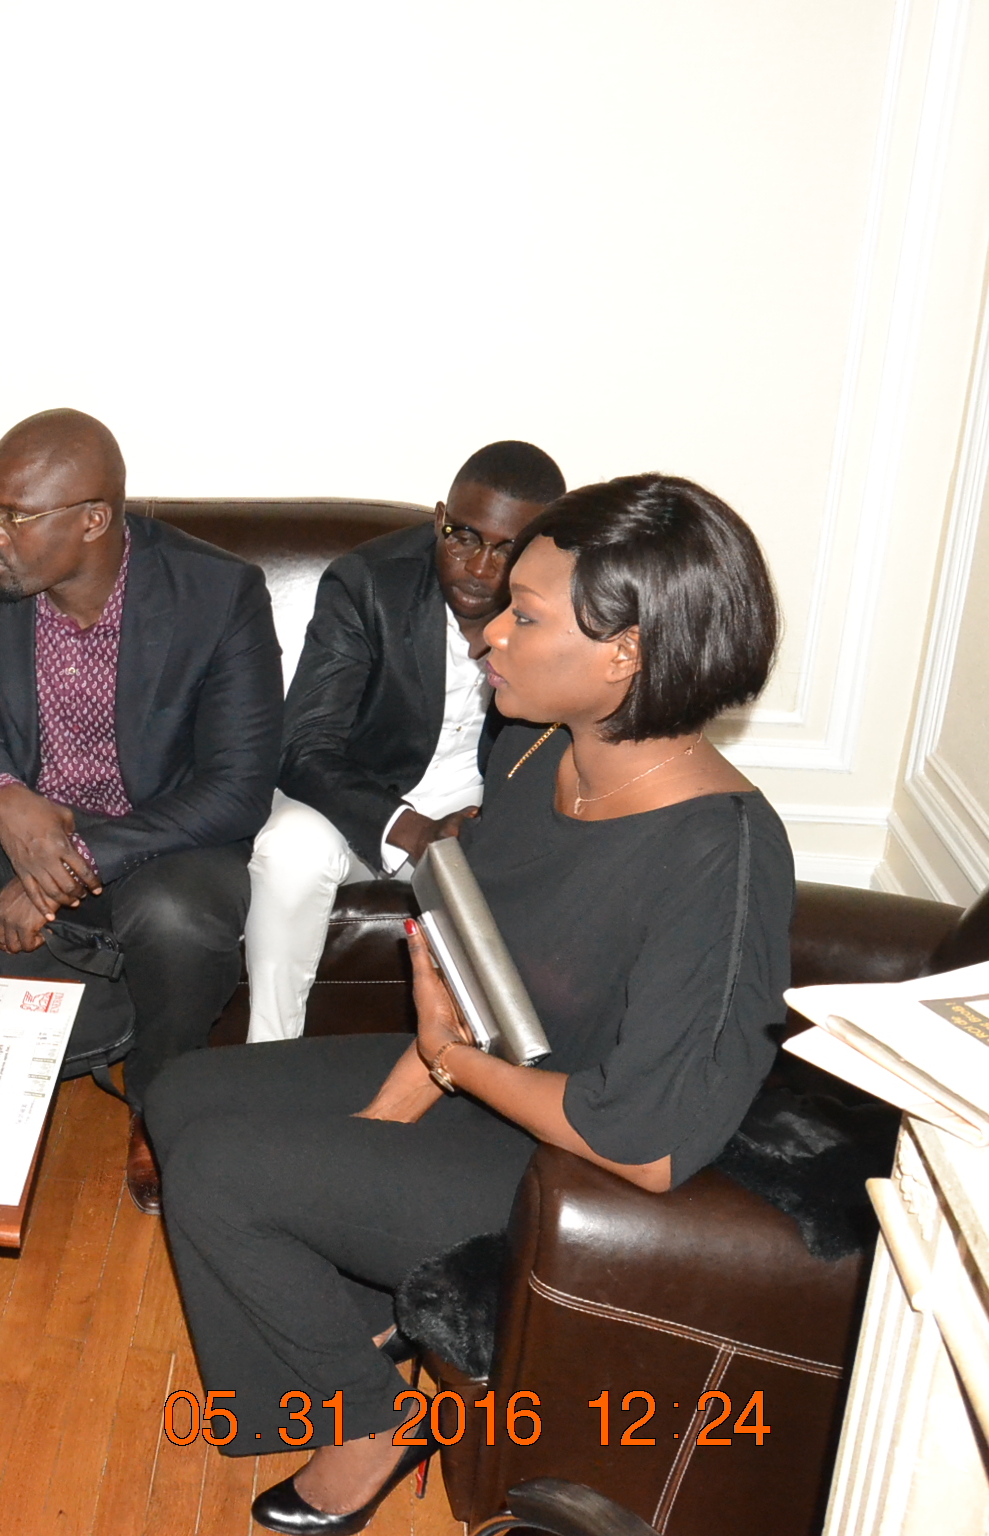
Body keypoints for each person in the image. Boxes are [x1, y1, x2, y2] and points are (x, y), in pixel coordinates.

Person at [144, 474, 790, 1535]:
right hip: (497, 1085)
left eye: (526, 616)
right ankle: (369, 1348)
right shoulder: (541, 753)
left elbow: (647, 1147)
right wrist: (394, 1110)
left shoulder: (720, 855)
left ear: (626, 652)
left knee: (221, 1174)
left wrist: (452, 1069)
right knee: (186, 1097)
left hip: (581, 1172)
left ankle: (372, 1425)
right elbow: (475, 976)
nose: (489, 632)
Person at [0, 409, 281, 1213]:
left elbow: (237, 788)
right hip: (30, 822)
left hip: (160, 842)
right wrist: (4, 799)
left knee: (181, 919)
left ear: (93, 521)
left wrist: (65, 872)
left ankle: (159, 1104)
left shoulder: (219, 594)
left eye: (14, 516)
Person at [243, 441, 564, 1044]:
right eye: (462, 536)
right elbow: (304, 745)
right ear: (439, 518)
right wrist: (413, 830)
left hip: (481, 806)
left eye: (508, 549)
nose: (478, 566)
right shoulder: (369, 583)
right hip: (355, 794)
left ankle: (504, 1076)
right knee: (290, 851)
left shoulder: (569, 607)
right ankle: (270, 1053)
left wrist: (497, 821)